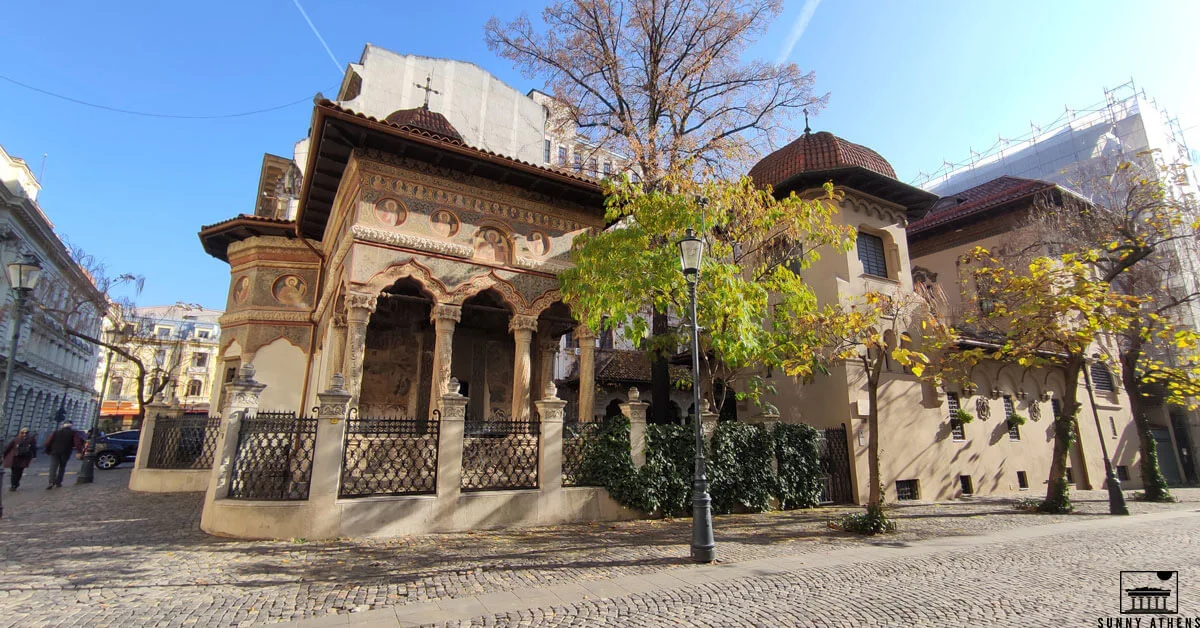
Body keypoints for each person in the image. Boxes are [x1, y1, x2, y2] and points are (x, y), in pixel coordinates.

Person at [43, 421, 82, 489]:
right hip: (65, 452)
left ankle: (51, 482)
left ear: (63, 426)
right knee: (62, 467)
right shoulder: (73, 433)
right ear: (71, 426)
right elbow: (77, 443)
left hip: (55, 452)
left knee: (53, 467)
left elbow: (48, 442)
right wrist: (79, 451)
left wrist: (48, 450)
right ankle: (58, 482)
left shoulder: (56, 432)